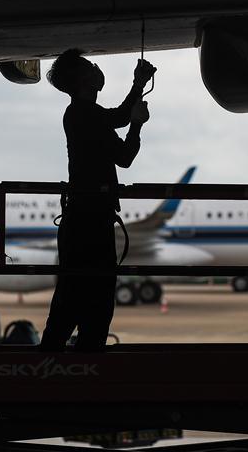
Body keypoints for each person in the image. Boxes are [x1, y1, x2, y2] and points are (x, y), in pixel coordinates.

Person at [40, 49, 156, 352]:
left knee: (73, 301)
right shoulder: (84, 114)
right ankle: (82, 365)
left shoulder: (83, 115)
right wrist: (137, 102)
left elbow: (119, 138)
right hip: (90, 224)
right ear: (82, 79)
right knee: (94, 303)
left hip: (85, 220)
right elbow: (122, 136)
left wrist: (136, 109)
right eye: (90, 66)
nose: (96, 68)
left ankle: (52, 369)